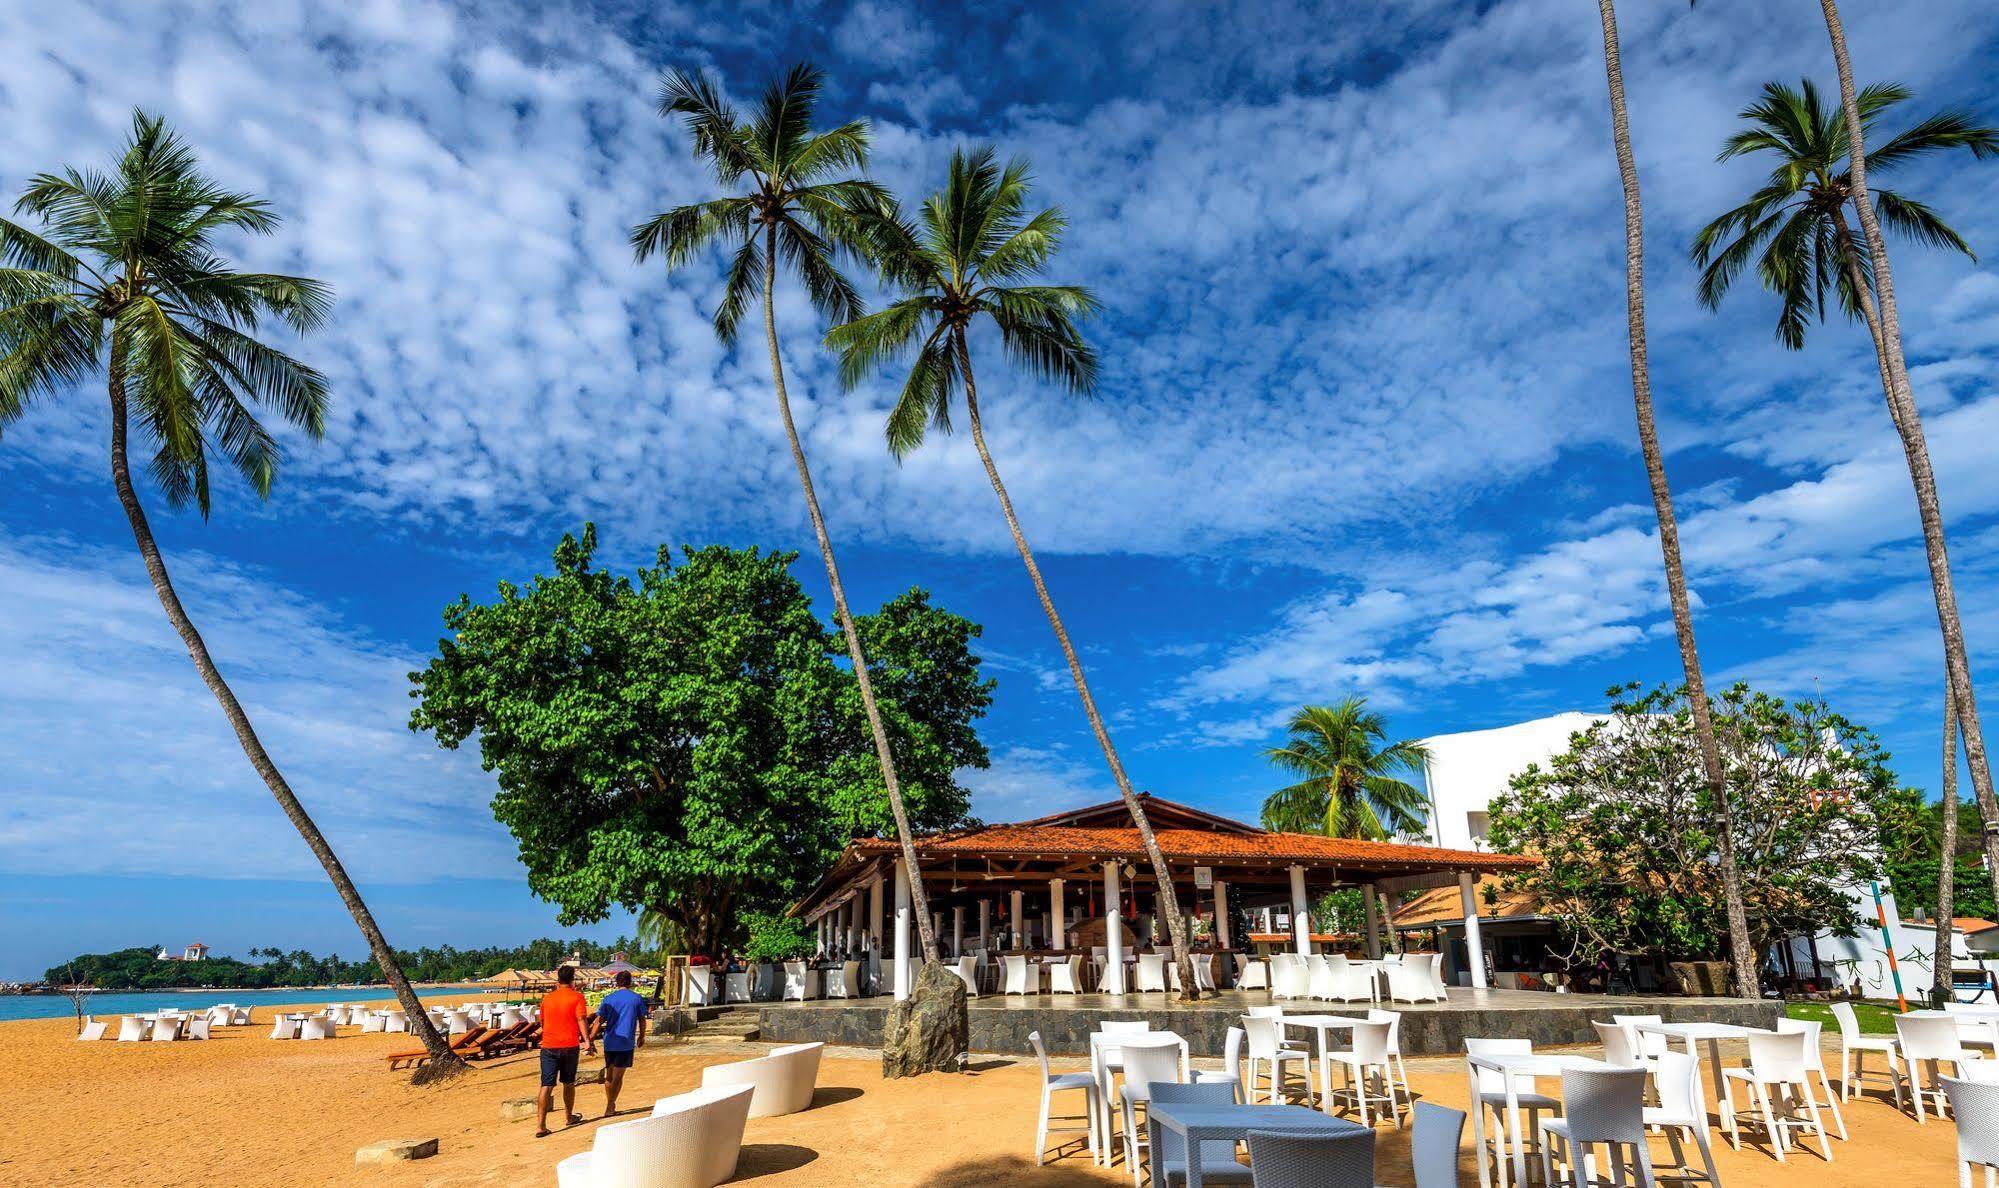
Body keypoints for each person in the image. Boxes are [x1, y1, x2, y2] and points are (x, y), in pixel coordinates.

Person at [535, 965, 594, 1138]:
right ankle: (569, 1116)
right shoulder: (577, 997)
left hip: (548, 1046)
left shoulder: (547, 998)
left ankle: (540, 1125)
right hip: (569, 1046)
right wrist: (587, 1041)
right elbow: (581, 1019)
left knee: (546, 1085)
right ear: (572, 979)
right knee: (568, 1083)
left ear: (557, 980)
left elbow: (542, 1023)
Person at [596, 970, 649, 1115]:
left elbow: (599, 1021)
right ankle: (610, 1105)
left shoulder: (608, 998)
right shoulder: (636, 998)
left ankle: (610, 1105)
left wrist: (590, 1038)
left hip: (610, 1041)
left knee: (609, 1075)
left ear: (617, 982)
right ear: (629, 982)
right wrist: (642, 1036)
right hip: (626, 1041)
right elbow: (642, 1020)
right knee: (618, 1077)